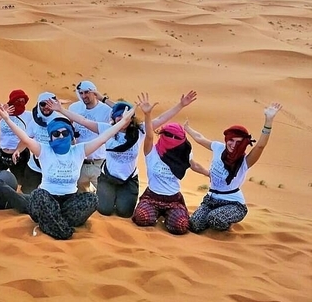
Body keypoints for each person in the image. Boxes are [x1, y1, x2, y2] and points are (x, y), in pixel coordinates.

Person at [0, 103, 136, 240]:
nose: (61, 136)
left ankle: (49, 221)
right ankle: (63, 231)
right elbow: (25, 138)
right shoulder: (43, 150)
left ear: (71, 135)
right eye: (56, 133)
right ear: (51, 137)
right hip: (47, 198)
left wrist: (123, 122)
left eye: (65, 133)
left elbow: (103, 137)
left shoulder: (79, 150)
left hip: (69, 201)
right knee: (39, 196)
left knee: (92, 199)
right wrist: (7, 119)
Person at [49, 90, 197, 218]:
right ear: (114, 118)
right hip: (108, 178)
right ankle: (105, 195)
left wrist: (181, 105)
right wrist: (61, 110)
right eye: (119, 116)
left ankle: (120, 197)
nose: (122, 119)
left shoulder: (139, 131)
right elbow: (82, 120)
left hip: (129, 179)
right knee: (104, 210)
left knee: (124, 212)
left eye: (126, 116)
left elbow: (161, 119)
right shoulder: (107, 129)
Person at [185, 102, 282, 233]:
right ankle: (212, 218)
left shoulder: (245, 161)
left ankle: (227, 225)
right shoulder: (218, 148)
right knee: (195, 225)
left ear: (244, 144)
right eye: (231, 140)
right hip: (211, 200)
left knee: (215, 220)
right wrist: (187, 129)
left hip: (233, 203)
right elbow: (200, 138)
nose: (233, 144)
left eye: (238, 142)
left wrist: (268, 120)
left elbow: (260, 146)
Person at [132, 93, 210, 235]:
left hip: (173, 199)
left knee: (181, 226)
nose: (172, 139)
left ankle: (168, 217)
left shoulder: (183, 154)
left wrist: (209, 174)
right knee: (142, 218)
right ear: (162, 134)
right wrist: (148, 115)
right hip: (152, 196)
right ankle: (154, 215)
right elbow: (149, 135)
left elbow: (194, 165)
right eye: (168, 135)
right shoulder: (152, 151)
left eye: (176, 137)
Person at [12, 91, 62, 194]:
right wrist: (18, 150)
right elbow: (26, 139)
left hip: (54, 167)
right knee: (27, 193)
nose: (46, 107)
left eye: (49, 104)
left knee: (54, 195)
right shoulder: (35, 121)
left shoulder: (60, 121)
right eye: (42, 104)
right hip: (35, 165)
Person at [68, 80, 113, 193]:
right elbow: (68, 126)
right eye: (81, 93)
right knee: (78, 197)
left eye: (87, 92)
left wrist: (103, 98)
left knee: (103, 202)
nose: (84, 96)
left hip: (99, 162)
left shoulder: (106, 110)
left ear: (94, 92)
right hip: (79, 161)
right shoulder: (74, 108)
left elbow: (125, 113)